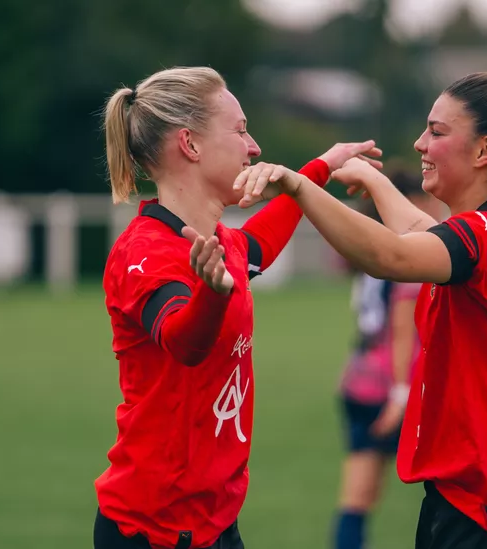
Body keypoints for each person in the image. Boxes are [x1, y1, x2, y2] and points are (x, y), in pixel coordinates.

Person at [228, 71, 487, 549]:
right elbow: (417, 232)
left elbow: (392, 255)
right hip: (476, 501)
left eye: (437, 131)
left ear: (484, 151)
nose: (420, 142)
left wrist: (301, 187)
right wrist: (372, 178)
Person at [95, 66, 381, 549]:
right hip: (154, 529)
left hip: (215, 522)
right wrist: (212, 293)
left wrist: (315, 172)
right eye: (241, 129)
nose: (254, 147)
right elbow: (183, 341)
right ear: (190, 145)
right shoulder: (143, 251)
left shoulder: (222, 243)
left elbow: (261, 240)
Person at [332, 165, 444, 549]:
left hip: (359, 381)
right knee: (454, 497)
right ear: (411, 202)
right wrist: (400, 394)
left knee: (357, 497)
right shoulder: (411, 256)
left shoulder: (371, 247)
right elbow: (401, 328)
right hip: (394, 390)